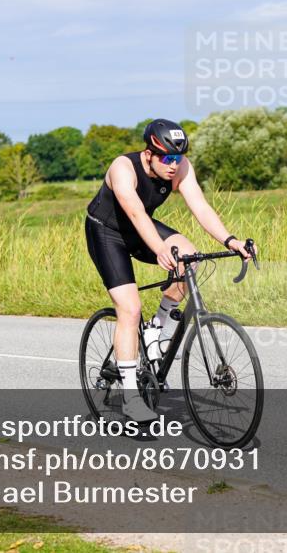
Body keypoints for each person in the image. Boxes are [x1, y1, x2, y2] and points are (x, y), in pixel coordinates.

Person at [85, 119, 252, 422]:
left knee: (190, 257)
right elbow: (134, 212)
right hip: (107, 233)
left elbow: (200, 207)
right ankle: (131, 397)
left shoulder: (181, 167)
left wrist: (230, 240)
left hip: (140, 229)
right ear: (148, 154)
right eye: (167, 158)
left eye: (178, 158)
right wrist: (160, 249)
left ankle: (157, 328)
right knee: (130, 309)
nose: (174, 165)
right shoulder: (122, 168)